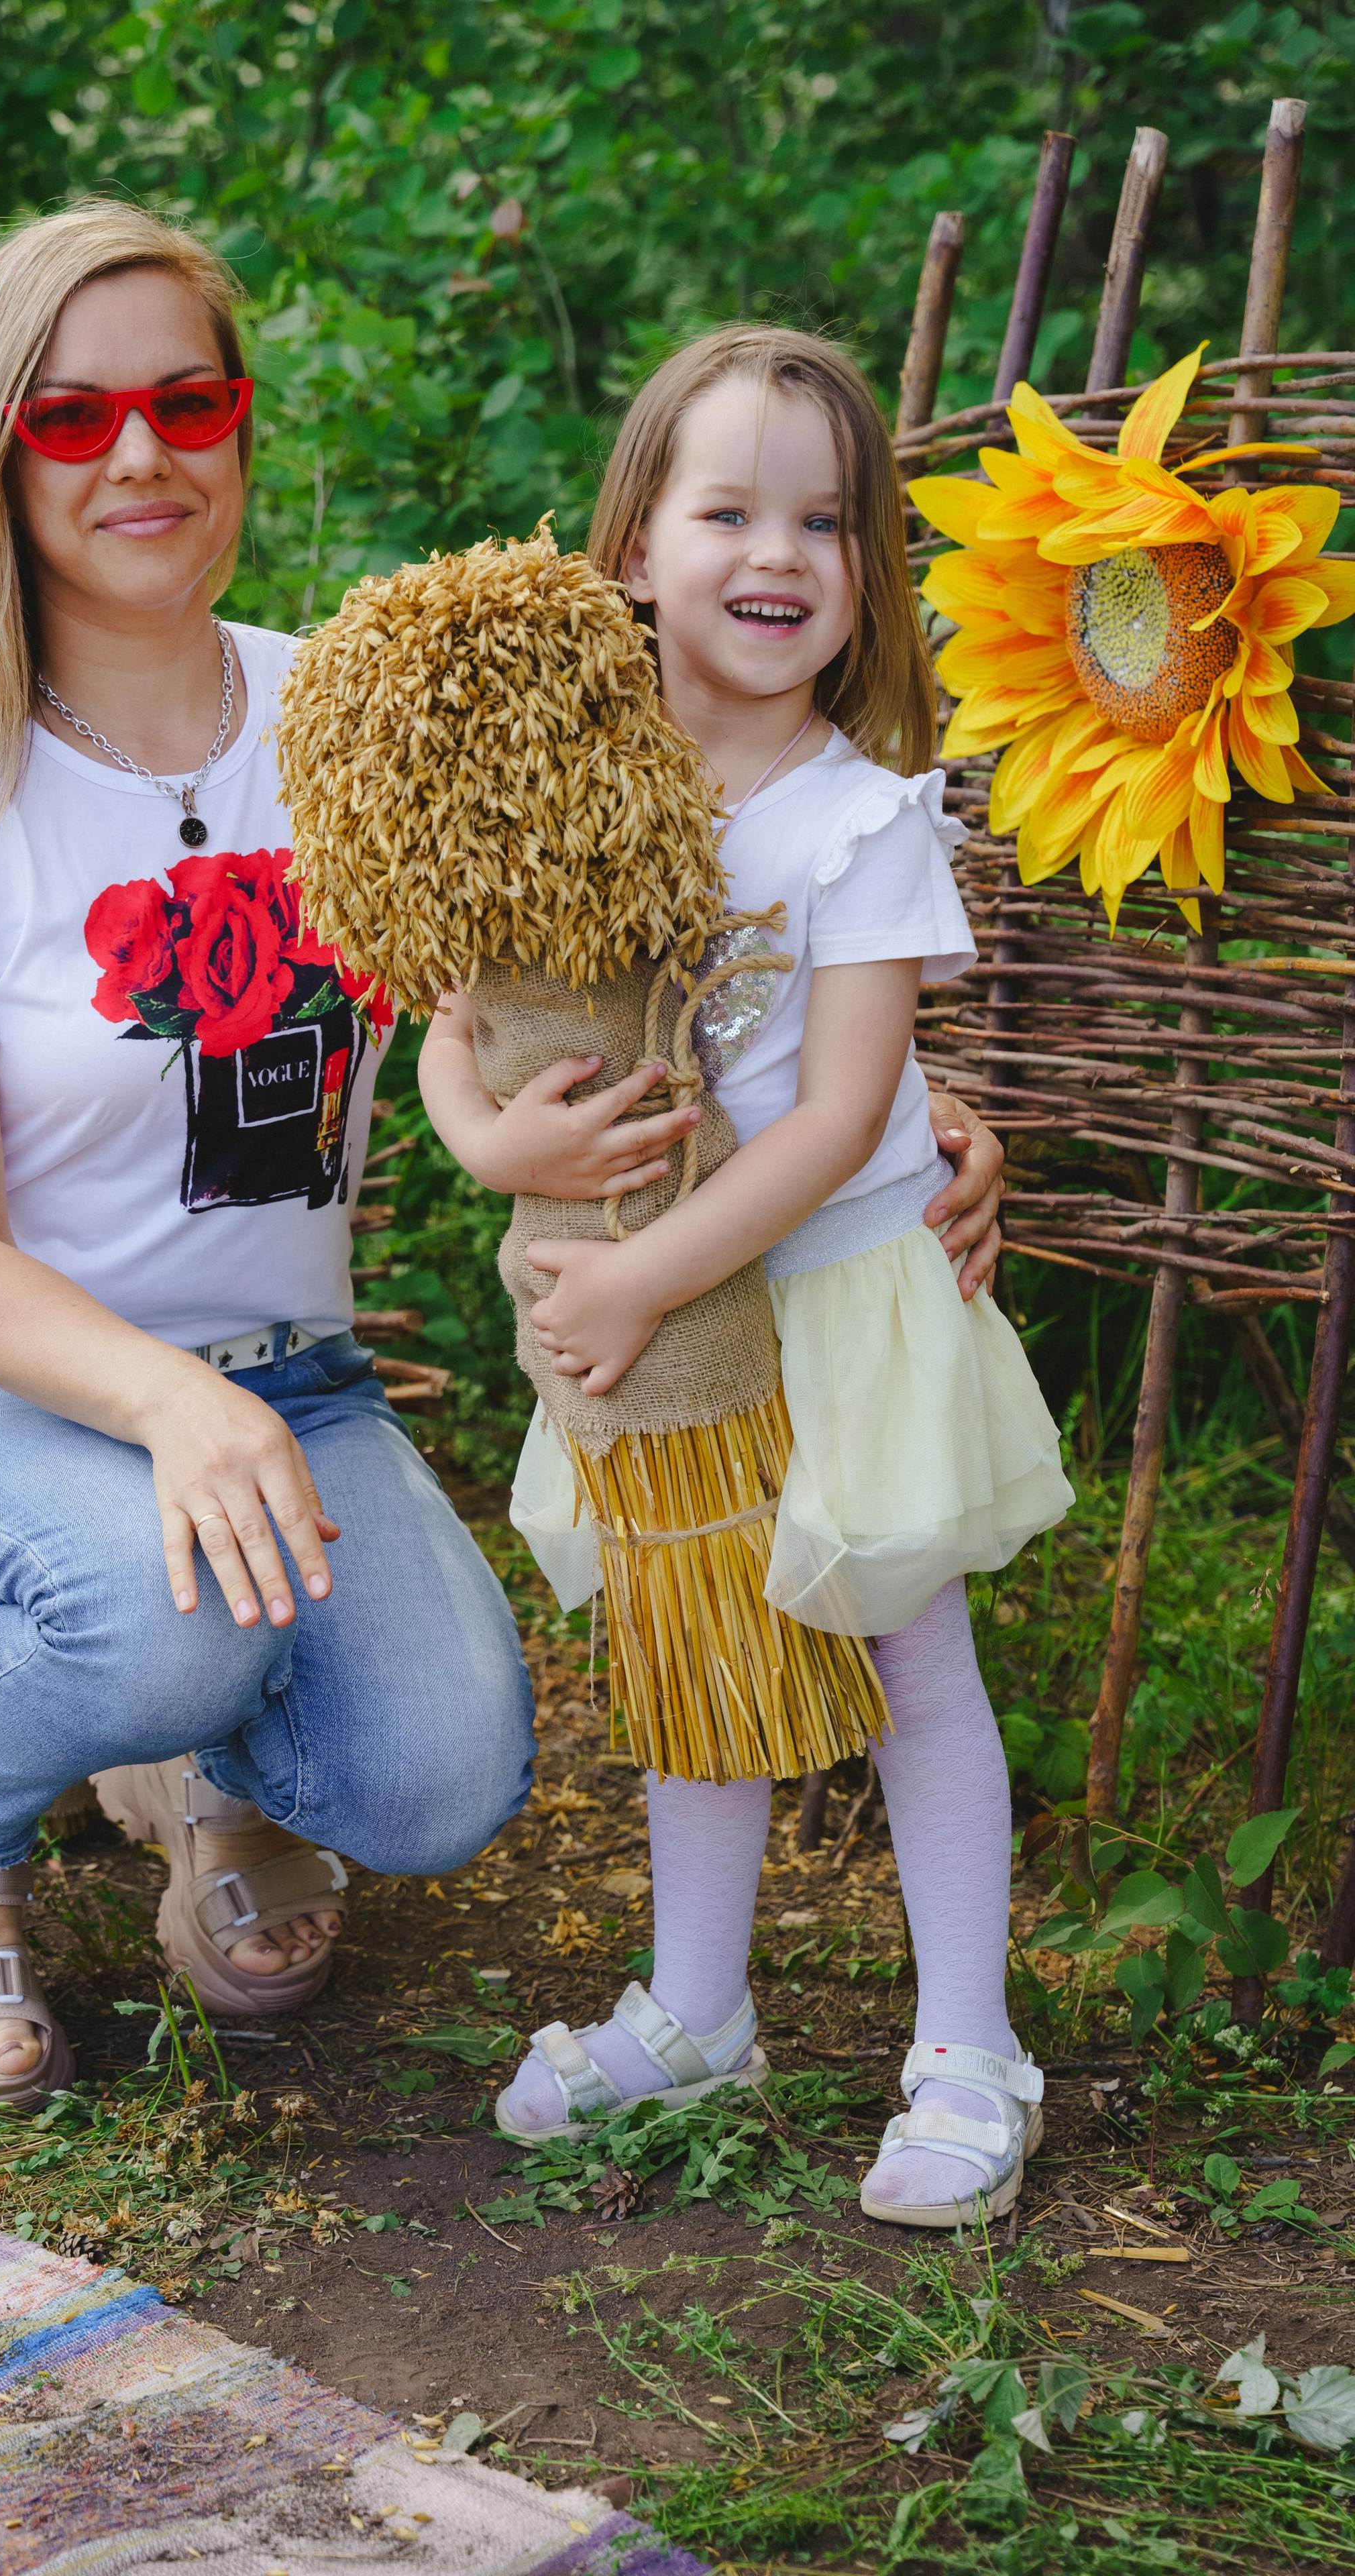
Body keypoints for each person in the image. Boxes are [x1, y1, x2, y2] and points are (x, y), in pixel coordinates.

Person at [0, 206, 1009, 2123]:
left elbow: (614, 965)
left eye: (190, 402)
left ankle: (197, 1757)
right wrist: (174, 1411)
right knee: (168, 1608)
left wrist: (903, 1117)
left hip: (294, 1386)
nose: (142, 454)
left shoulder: (356, 719)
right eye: (74, 416)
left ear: (241, 421)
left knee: (440, 1779)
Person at [419, 326, 1073, 2229]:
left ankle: (970, 2049)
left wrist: (637, 1283)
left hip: (837, 1301)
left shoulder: (860, 819)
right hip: (668, 1314)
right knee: (686, 1639)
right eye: (729, 512)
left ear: (867, 570)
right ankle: (698, 2010)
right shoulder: (564, 802)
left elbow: (839, 1115)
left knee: (909, 1661)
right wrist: (496, 1152)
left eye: (827, 520)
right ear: (634, 545)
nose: (778, 553)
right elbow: (450, 1029)